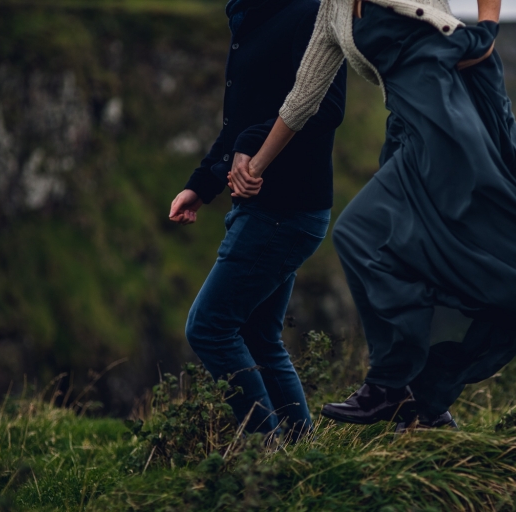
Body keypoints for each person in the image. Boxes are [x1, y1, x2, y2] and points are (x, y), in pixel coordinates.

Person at [228, 0, 516, 431]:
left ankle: (390, 384)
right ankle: (425, 399)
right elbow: (301, 99)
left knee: (360, 233)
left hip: (448, 107)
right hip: (409, 123)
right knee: (406, 248)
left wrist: (489, 27)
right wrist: (255, 166)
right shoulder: (332, 13)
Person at [168, 0, 347, 439]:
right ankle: (300, 453)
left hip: (287, 210)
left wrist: (251, 144)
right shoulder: (250, 17)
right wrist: (202, 184)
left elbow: (326, 106)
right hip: (265, 208)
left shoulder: (308, 13)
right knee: (259, 336)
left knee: (209, 327)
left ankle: (265, 453)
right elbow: (240, 122)